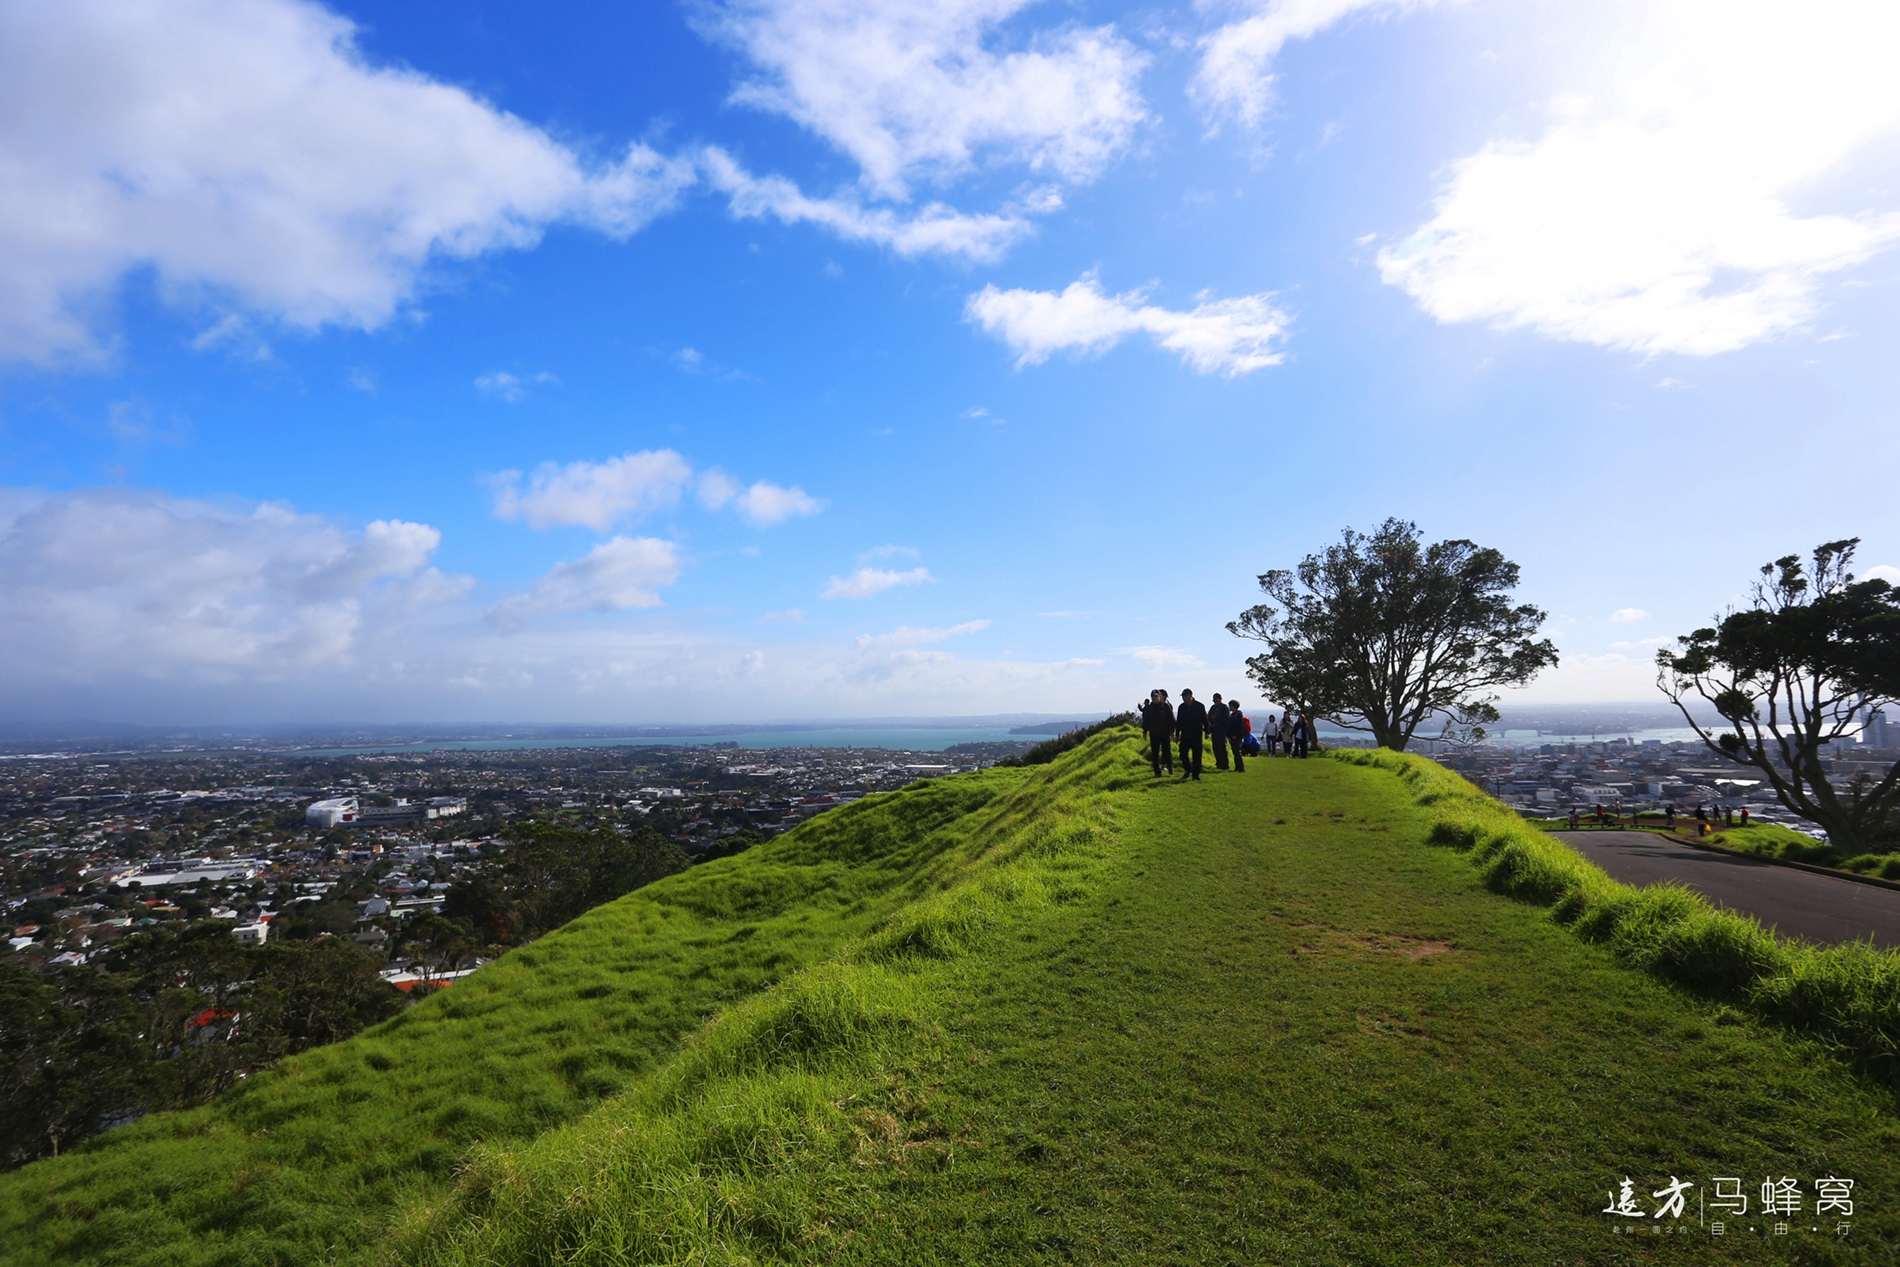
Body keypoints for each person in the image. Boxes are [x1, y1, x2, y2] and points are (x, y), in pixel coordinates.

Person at [1176, 688, 1207, 780]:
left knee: (1197, 756)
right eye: (1183, 697)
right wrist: (1177, 733)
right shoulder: (1181, 707)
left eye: (1185, 696)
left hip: (1197, 734)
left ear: (1190, 696)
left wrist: (1207, 732)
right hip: (1185, 734)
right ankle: (1188, 768)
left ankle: (1196, 774)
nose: (1183, 698)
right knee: (1182, 754)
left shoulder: (1199, 706)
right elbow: (1179, 722)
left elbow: (1205, 720)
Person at [1142, 689, 1174, 777]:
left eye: (1156, 696)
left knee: (1167, 751)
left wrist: (1172, 730)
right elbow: (1146, 721)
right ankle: (1157, 772)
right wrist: (1144, 731)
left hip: (1165, 733)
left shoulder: (1166, 707)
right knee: (1155, 753)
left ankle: (1170, 766)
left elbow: (1171, 719)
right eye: (1152, 696)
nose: (1154, 698)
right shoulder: (1149, 708)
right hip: (1154, 734)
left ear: (1159, 696)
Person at [1208, 694, 1231, 771]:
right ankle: (1219, 763)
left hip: (1221, 730)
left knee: (1222, 747)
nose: (1215, 701)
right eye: (1214, 699)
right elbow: (1209, 716)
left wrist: (1216, 718)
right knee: (1215, 747)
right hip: (1214, 729)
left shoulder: (1224, 708)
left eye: (1216, 699)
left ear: (1220, 699)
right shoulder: (1213, 707)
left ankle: (1225, 764)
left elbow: (1226, 719)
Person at [1227, 700, 1248, 772]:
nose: (1229, 707)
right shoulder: (1232, 715)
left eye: (1231, 706)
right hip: (1232, 736)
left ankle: (1241, 767)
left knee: (1237, 751)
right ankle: (1237, 767)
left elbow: (1239, 726)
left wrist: (1235, 735)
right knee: (1235, 752)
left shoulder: (1238, 715)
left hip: (1236, 736)